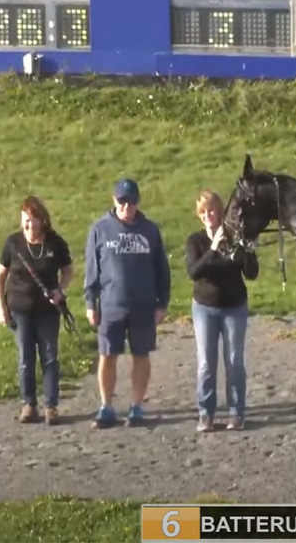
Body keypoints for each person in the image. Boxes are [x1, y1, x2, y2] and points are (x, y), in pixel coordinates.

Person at [83, 178, 171, 429]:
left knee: (141, 355)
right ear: (114, 200)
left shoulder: (150, 230)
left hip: (143, 305)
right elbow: (92, 270)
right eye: (122, 201)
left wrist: (162, 303)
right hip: (111, 305)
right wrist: (91, 302)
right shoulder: (100, 229)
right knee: (107, 355)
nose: (126, 206)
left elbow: (162, 269)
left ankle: (136, 406)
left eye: (131, 201)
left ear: (137, 202)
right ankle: (106, 407)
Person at [0, 196, 74, 425]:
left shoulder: (55, 244)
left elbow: (68, 271)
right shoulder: (13, 243)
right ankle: (29, 404)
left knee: (50, 357)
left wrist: (60, 290)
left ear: (42, 221)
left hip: (47, 310)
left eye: (33, 220)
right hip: (19, 310)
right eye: (25, 220)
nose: (29, 225)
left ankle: (51, 406)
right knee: (25, 358)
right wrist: (1, 307)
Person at [185, 189, 259, 432]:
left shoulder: (234, 237)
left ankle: (236, 413)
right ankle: (206, 415)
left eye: (212, 210)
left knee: (235, 361)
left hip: (234, 306)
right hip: (205, 308)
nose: (208, 215)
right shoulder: (195, 241)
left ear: (220, 211)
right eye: (203, 212)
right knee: (206, 363)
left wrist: (248, 251)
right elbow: (194, 272)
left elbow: (251, 273)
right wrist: (213, 249)